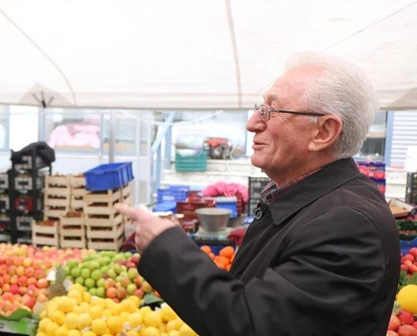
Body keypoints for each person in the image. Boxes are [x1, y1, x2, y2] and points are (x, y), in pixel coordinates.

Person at [116, 52, 400, 336]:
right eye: (258, 108)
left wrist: (165, 246)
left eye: (271, 110)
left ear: (323, 132)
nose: (252, 123)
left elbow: (253, 325)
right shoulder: (316, 203)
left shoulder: (347, 223)